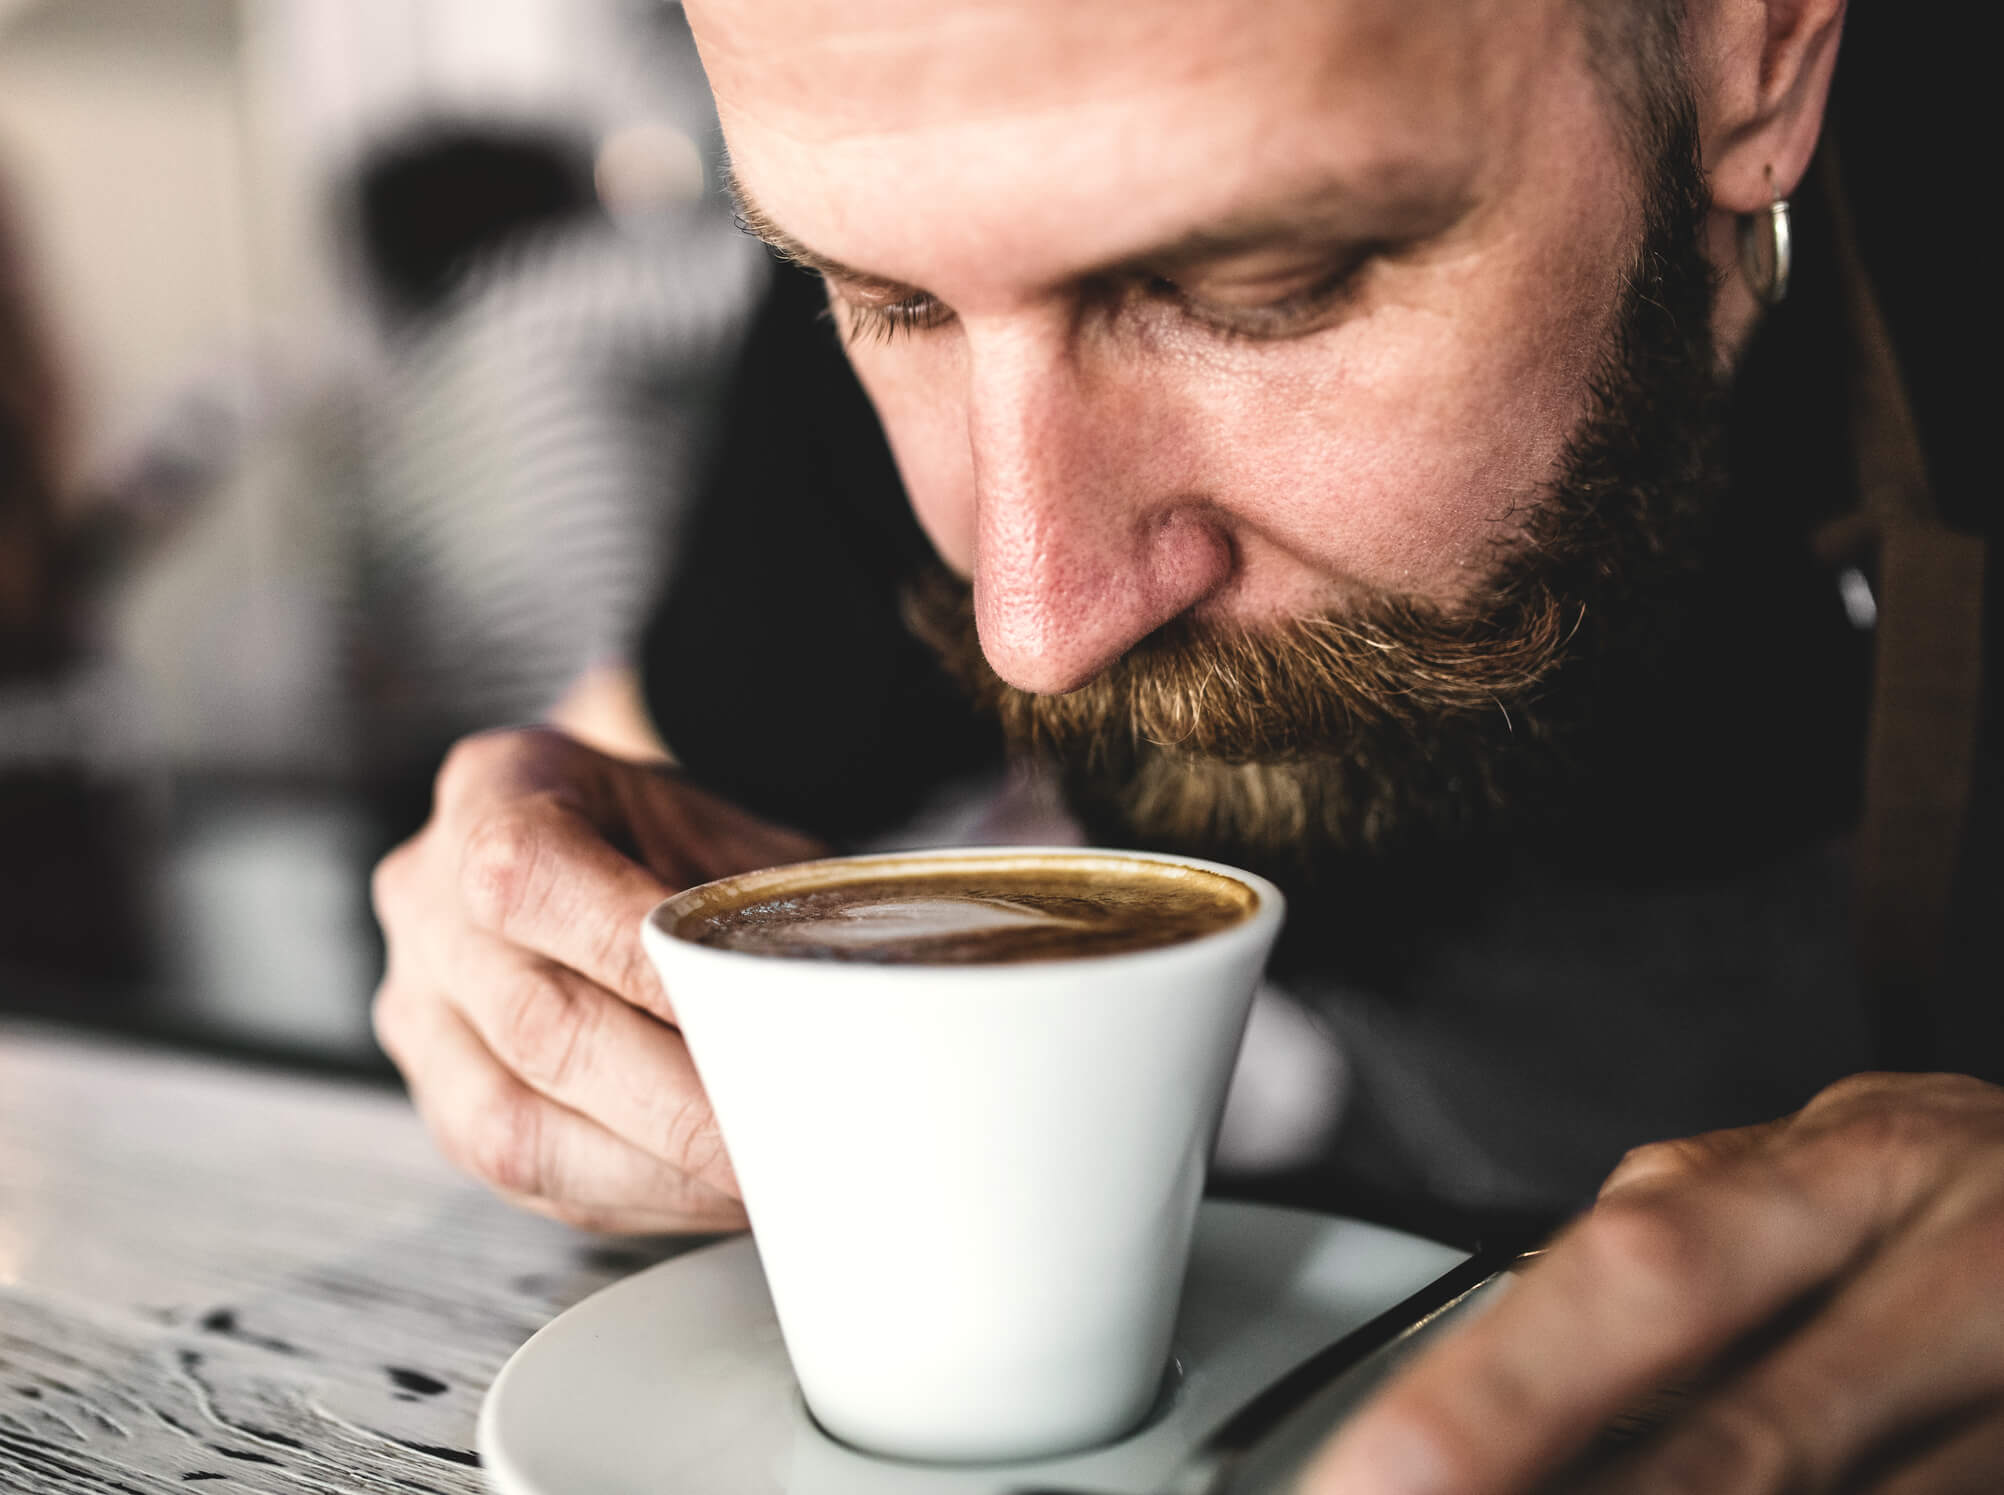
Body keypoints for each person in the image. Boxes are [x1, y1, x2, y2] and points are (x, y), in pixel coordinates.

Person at [370, 0, 2004, 1488]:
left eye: (1252, 291)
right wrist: (521, 953)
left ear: (1761, 52)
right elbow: (618, 807)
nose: (1035, 617)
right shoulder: (956, 186)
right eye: (887, 303)